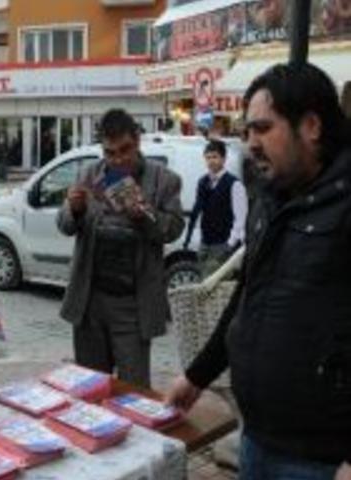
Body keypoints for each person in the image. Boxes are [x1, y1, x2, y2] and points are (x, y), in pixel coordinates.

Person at [166, 64, 351, 480]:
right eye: (247, 132)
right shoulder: (268, 200)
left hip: (322, 461)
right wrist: (197, 375)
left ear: (311, 126)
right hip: (258, 440)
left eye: (263, 129)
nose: (250, 144)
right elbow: (247, 295)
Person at [58, 108, 185, 388]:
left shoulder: (164, 180)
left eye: (124, 150)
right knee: (91, 388)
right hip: (90, 302)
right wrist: (74, 209)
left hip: (132, 305)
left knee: (134, 392)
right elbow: (65, 225)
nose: (117, 159)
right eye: (110, 153)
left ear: (137, 141)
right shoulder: (89, 173)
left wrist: (143, 214)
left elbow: (173, 230)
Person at [183, 139, 248, 272]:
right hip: (205, 243)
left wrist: (229, 245)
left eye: (215, 157)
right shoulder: (203, 181)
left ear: (223, 159)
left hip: (222, 245)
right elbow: (199, 210)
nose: (211, 161)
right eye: (208, 157)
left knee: (216, 288)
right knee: (204, 283)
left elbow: (241, 219)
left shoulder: (234, 184)